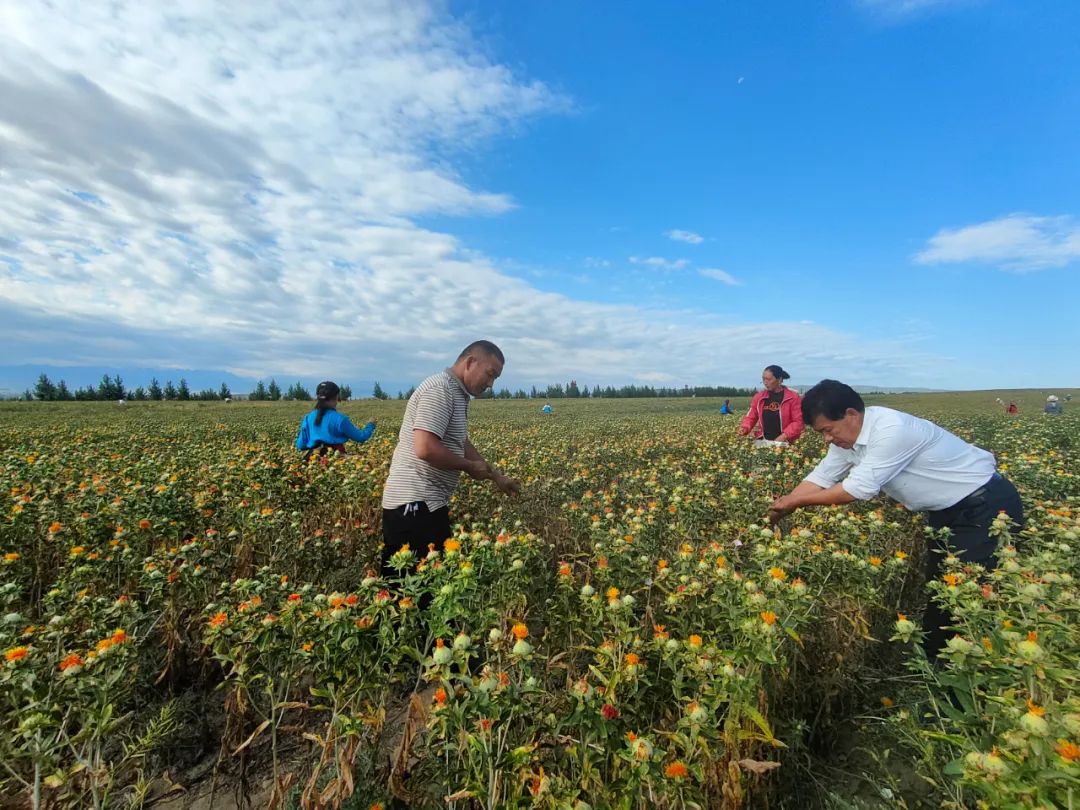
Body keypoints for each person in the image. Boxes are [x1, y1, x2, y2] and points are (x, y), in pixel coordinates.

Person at [768, 380, 1024, 658]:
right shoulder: (847, 439)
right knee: (942, 588)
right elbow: (821, 477)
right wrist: (781, 506)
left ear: (851, 414)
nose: (827, 439)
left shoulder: (892, 430)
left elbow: (857, 489)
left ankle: (969, 674)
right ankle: (937, 667)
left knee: (968, 597)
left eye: (828, 430)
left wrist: (795, 502)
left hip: (986, 507)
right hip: (947, 511)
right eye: (821, 433)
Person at [381, 341, 521, 570]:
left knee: (428, 583)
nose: (491, 383)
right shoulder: (440, 389)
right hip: (414, 506)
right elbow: (425, 447)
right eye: (490, 374)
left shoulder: (456, 393)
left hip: (427, 504)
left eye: (495, 378)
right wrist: (467, 466)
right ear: (470, 362)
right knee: (412, 588)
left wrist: (496, 477)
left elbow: (461, 443)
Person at [295, 381, 376, 461]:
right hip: (336, 460)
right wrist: (371, 425)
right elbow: (361, 437)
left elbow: (300, 445)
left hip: (313, 460)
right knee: (363, 460)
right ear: (336, 396)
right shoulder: (340, 419)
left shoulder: (308, 417)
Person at [739, 365, 804, 447]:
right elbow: (751, 416)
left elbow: (798, 422)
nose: (765, 382)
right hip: (763, 441)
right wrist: (745, 428)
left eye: (769, 379)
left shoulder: (793, 397)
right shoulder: (759, 397)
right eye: (763, 379)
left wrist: (783, 437)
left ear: (779, 380)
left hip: (785, 442)